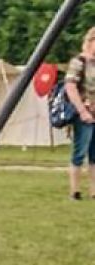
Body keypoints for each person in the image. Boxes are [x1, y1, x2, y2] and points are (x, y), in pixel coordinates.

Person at [64, 27, 95, 200]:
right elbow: (70, 86)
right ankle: (75, 191)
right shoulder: (78, 62)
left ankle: (94, 191)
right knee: (80, 152)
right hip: (84, 114)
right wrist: (82, 110)